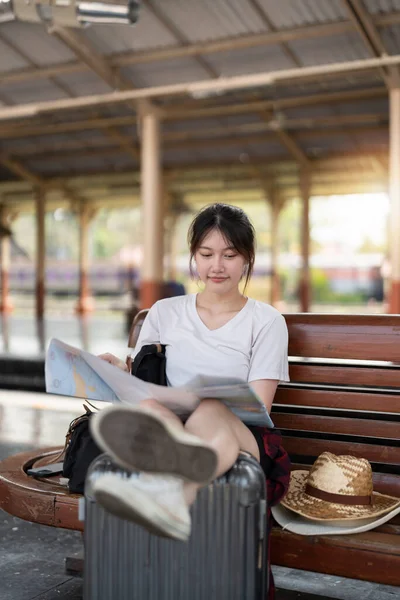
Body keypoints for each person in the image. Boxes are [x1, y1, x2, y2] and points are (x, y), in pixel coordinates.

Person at [91, 203, 289, 543]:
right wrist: (117, 371)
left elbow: (260, 409)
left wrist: (206, 402)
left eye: (229, 255)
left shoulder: (267, 321)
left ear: (246, 258)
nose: (216, 266)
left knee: (210, 408)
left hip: (240, 436)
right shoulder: (165, 313)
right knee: (152, 410)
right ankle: (169, 496)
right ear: (194, 256)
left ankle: (171, 498)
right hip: (172, 427)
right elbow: (143, 383)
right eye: (206, 253)